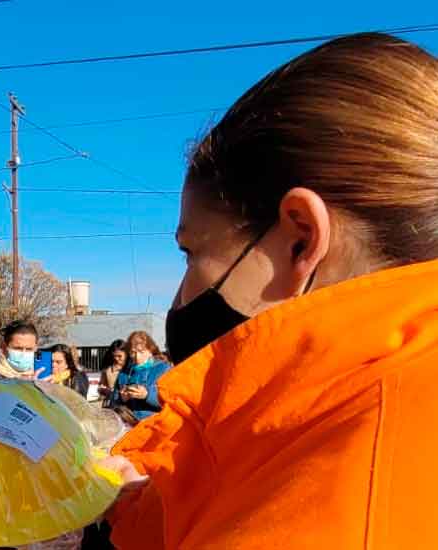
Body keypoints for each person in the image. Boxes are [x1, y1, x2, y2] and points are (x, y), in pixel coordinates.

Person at [109, 33, 438, 549]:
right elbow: (243, 490)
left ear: (300, 238)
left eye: (191, 252)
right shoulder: (350, 413)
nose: (179, 297)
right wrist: (127, 498)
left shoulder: (351, 495)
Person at [110, 332, 170, 425]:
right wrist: (121, 399)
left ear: (150, 350)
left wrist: (147, 395)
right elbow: (113, 403)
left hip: (155, 426)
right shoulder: (124, 373)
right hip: (129, 426)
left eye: (141, 352)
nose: (137, 357)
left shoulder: (163, 369)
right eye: (133, 352)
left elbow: (170, 400)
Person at [98, 339, 127, 408]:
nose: (116, 359)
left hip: (126, 408)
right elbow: (101, 385)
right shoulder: (108, 369)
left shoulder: (131, 369)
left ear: (127, 354)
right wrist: (102, 389)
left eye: (120, 356)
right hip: (111, 405)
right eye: (114, 356)